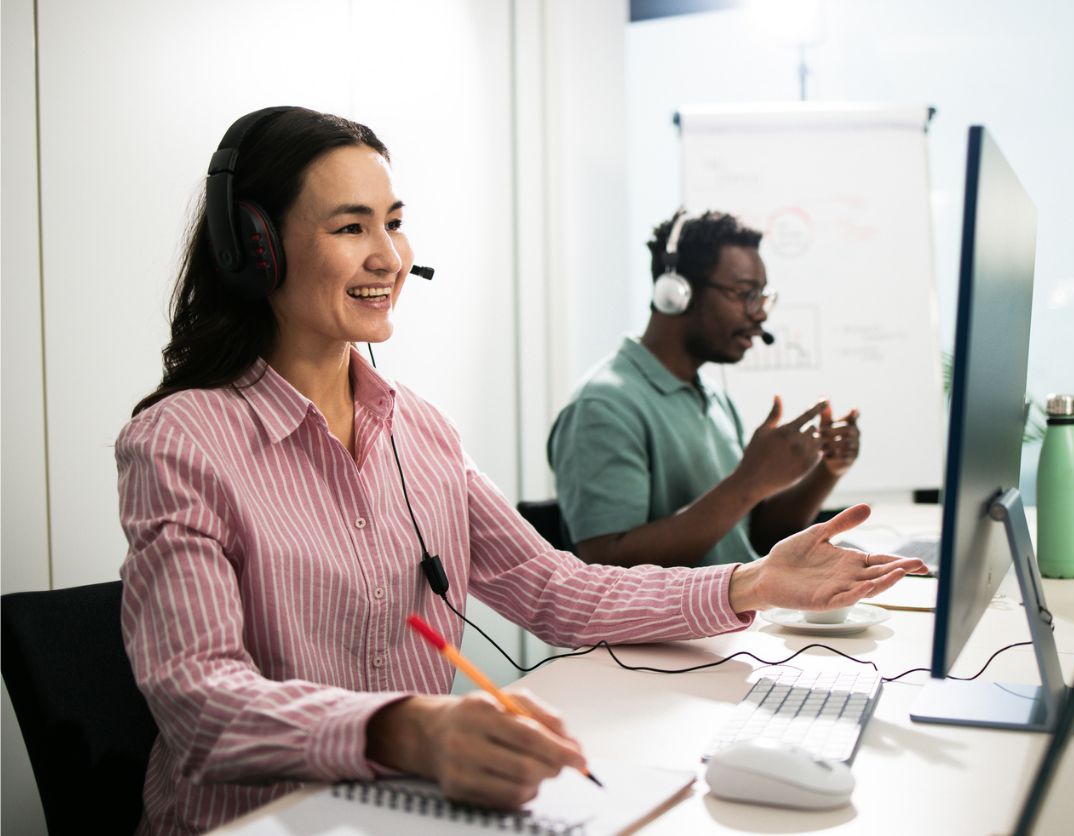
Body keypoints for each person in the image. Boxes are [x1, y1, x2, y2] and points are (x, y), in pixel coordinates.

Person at [116, 107, 923, 835]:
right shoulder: (181, 441)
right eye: (350, 227)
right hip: (263, 822)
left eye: (394, 223)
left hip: (407, 808)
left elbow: (556, 591)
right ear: (255, 249)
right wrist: (408, 728)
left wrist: (753, 583)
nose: (389, 256)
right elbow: (199, 700)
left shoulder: (418, 432)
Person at [547, 209, 860, 568]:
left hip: (742, 616)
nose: (759, 315)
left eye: (762, 297)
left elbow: (751, 537)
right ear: (676, 293)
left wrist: (826, 470)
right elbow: (608, 566)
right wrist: (750, 481)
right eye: (744, 294)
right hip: (680, 626)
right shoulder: (602, 407)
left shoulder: (713, 398)